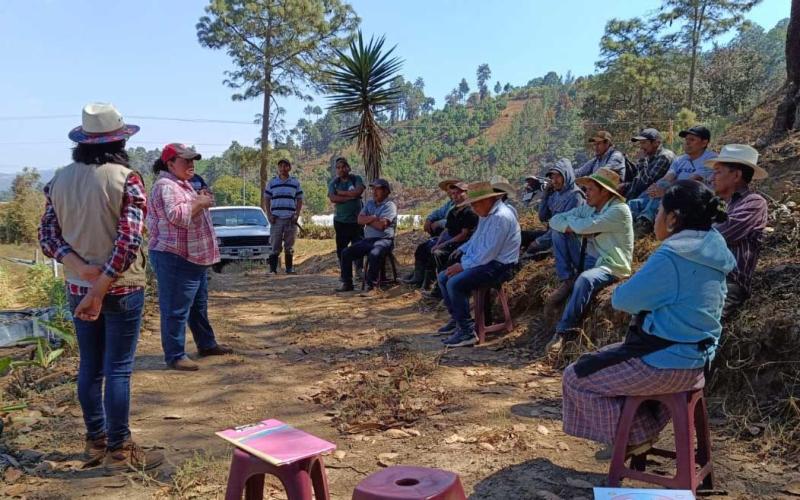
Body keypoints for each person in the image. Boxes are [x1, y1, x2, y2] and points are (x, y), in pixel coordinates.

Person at [561, 180, 735, 460]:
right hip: (699, 361)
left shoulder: (673, 255)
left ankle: (635, 436)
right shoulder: (714, 247)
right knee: (608, 360)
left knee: (576, 377)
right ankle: (638, 434)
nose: (655, 218)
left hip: (665, 363)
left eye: (658, 212)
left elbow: (623, 300)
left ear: (673, 218)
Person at [38, 103, 163, 472]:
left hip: (79, 288)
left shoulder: (58, 180)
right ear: (120, 140)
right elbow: (127, 242)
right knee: (118, 369)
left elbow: (47, 237)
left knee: (90, 366)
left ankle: (95, 441)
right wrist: (102, 286)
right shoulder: (126, 179)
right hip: (122, 289)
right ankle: (120, 449)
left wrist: (81, 271)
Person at [147, 143, 233, 371]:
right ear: (170, 163)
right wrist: (199, 202)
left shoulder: (181, 184)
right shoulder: (166, 186)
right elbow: (176, 216)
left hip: (192, 256)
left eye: (192, 160)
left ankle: (206, 344)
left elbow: (186, 208)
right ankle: (175, 355)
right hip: (175, 256)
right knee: (176, 308)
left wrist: (199, 198)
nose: (191, 164)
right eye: (186, 161)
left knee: (197, 305)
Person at [545, 168, 634, 354]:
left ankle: (563, 332)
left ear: (605, 192)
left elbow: (587, 226)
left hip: (611, 265)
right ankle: (567, 278)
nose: (586, 193)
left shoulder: (619, 210)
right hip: (592, 258)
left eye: (591, 189)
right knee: (559, 232)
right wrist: (573, 226)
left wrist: (575, 225)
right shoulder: (590, 207)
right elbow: (555, 219)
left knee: (586, 279)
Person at [436, 182, 521, 347]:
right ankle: (458, 321)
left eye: (475, 203)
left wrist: (463, 266)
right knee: (443, 277)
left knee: (454, 282)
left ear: (487, 201)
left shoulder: (500, 217)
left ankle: (467, 332)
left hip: (500, 266)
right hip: (487, 262)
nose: (473, 208)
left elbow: (489, 252)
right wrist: (463, 249)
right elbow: (477, 239)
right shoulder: (486, 215)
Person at [707, 144, 769, 318]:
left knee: (698, 325)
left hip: (727, 282)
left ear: (736, 175)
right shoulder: (716, 204)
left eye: (718, 172)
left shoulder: (753, 203)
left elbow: (716, 236)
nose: (712, 178)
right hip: (702, 276)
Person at [628, 126, 717, 237]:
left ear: (704, 143)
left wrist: (666, 191)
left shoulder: (710, 159)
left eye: (692, 140)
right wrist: (655, 188)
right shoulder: (681, 159)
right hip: (674, 193)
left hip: (693, 197)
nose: (687, 143)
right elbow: (667, 177)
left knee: (664, 188)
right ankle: (633, 218)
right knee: (654, 189)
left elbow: (691, 183)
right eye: (686, 140)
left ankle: (644, 222)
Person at [336, 179, 397, 292]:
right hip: (368, 240)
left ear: (385, 191)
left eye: (377, 189)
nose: (374, 192)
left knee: (374, 253)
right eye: (373, 189)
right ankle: (347, 283)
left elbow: (382, 225)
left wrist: (367, 220)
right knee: (346, 252)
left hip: (384, 240)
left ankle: (372, 286)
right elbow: (359, 220)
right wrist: (374, 218)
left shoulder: (390, 206)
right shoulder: (369, 203)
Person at [522, 158, 585, 262]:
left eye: (558, 176)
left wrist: (538, 242)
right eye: (552, 177)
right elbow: (543, 217)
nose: (554, 181)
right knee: (522, 236)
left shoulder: (575, 197)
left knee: (531, 250)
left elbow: (561, 229)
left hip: (563, 240)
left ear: (567, 175)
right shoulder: (556, 193)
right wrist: (546, 194)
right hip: (550, 234)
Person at [402, 179, 460, 288]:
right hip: (445, 235)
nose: (450, 193)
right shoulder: (450, 204)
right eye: (448, 191)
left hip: (453, 238)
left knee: (430, 250)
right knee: (423, 248)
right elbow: (438, 212)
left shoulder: (463, 206)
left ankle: (426, 280)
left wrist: (440, 223)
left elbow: (456, 223)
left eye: (453, 190)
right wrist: (429, 219)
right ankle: (419, 275)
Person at [430, 182, 479, 278]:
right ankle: (427, 279)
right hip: (452, 240)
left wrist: (444, 244)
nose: (455, 196)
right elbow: (446, 230)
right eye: (453, 194)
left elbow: (463, 235)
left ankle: (440, 282)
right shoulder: (453, 211)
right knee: (429, 249)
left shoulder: (470, 211)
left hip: (464, 243)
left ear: (466, 193)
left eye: (458, 193)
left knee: (441, 254)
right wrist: (438, 243)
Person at [328, 157, 366, 277]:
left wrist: (341, 193)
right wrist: (351, 197)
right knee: (341, 249)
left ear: (348, 168)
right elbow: (333, 198)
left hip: (357, 221)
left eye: (343, 167)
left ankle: (359, 271)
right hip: (340, 221)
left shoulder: (356, 179)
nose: (341, 169)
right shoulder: (334, 183)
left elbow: (358, 192)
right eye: (338, 167)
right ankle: (345, 274)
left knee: (359, 246)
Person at [264, 159, 303, 274]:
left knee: (289, 245)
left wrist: (297, 214)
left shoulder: (295, 183)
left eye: (285, 166)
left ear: (289, 168)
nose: (283, 168)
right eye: (280, 166)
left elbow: (299, 199)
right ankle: (272, 270)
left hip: (291, 219)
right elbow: (267, 198)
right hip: (276, 219)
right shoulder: (272, 183)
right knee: (275, 244)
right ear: (278, 168)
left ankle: (289, 269)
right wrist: (269, 214)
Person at [622, 128, 675, 200]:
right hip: (636, 197)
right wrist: (625, 185)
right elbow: (638, 180)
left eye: (644, 143)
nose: (641, 147)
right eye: (640, 143)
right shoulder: (649, 156)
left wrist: (642, 160)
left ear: (656, 143)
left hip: (648, 201)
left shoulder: (664, 157)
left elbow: (645, 183)